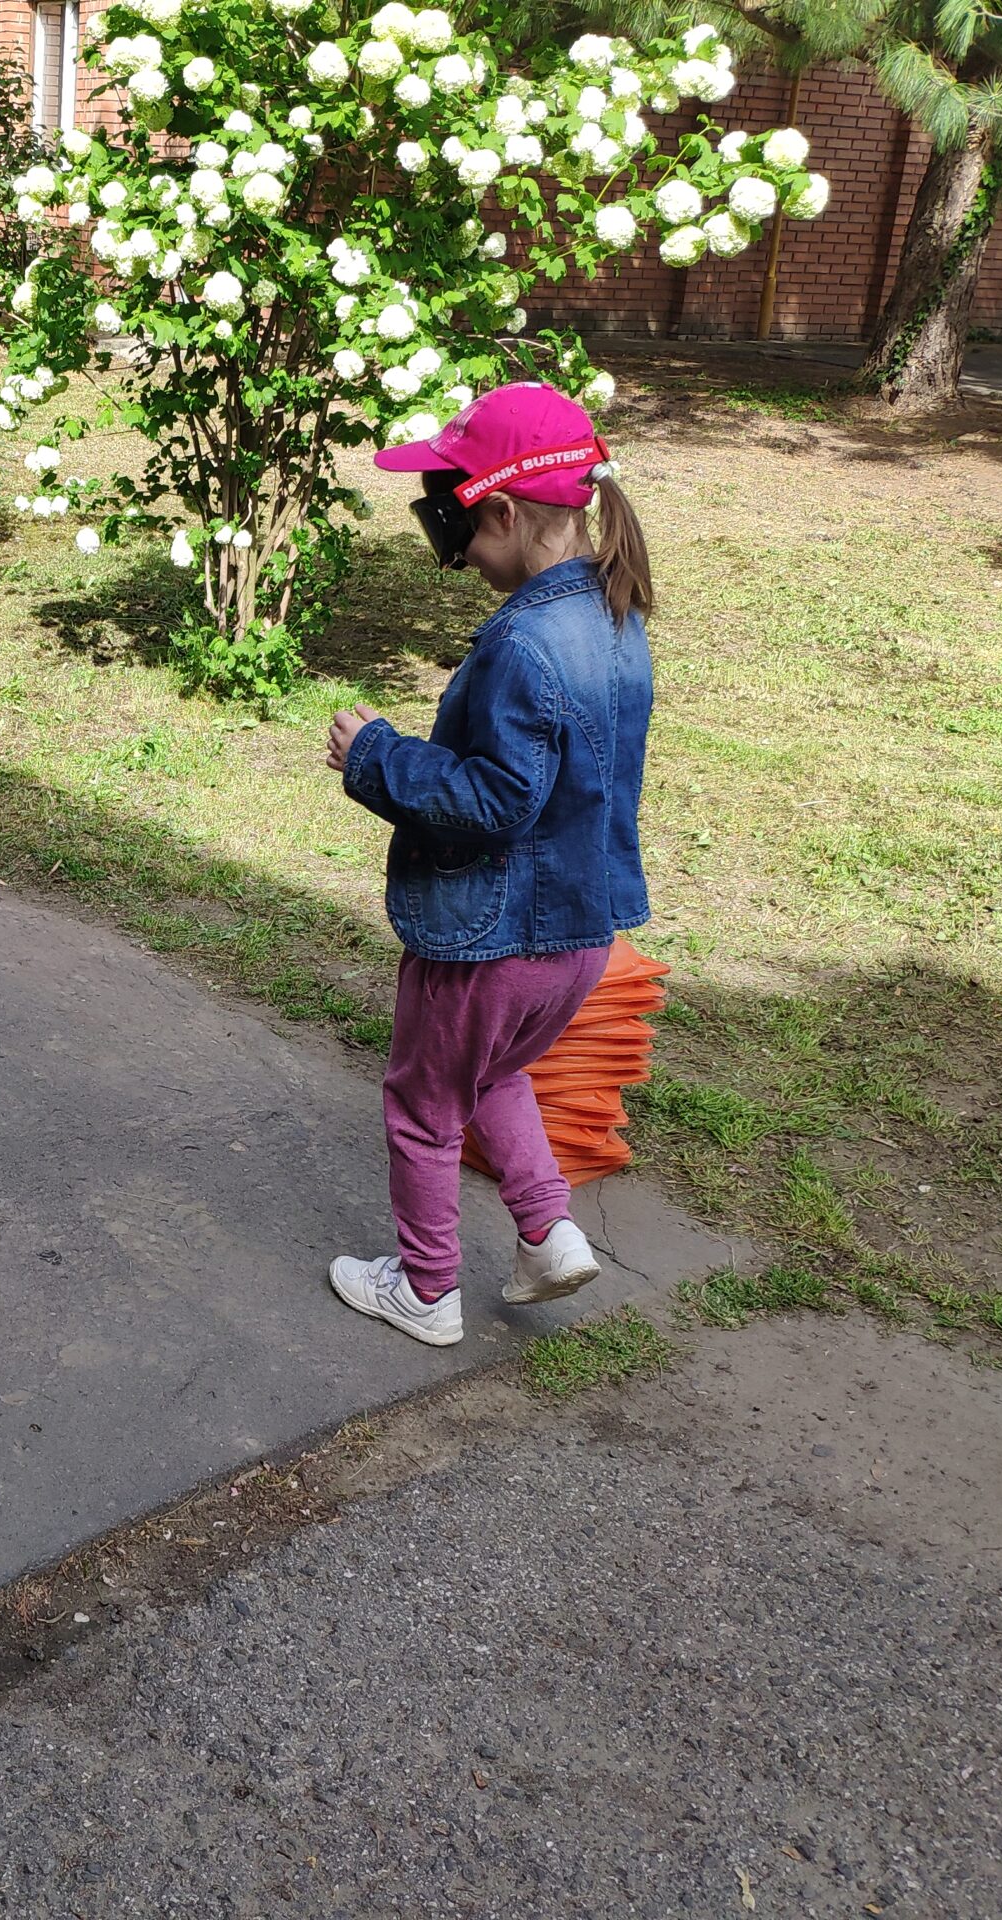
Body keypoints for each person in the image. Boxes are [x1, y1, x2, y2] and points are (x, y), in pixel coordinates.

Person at [323, 382, 655, 1347]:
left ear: (504, 511)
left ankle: (425, 1291)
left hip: (489, 938)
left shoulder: (520, 642)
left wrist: (376, 754)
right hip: (576, 936)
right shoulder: (616, 611)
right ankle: (549, 1235)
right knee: (492, 1075)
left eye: (456, 524)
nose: (456, 551)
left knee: (424, 1107)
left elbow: (494, 800)